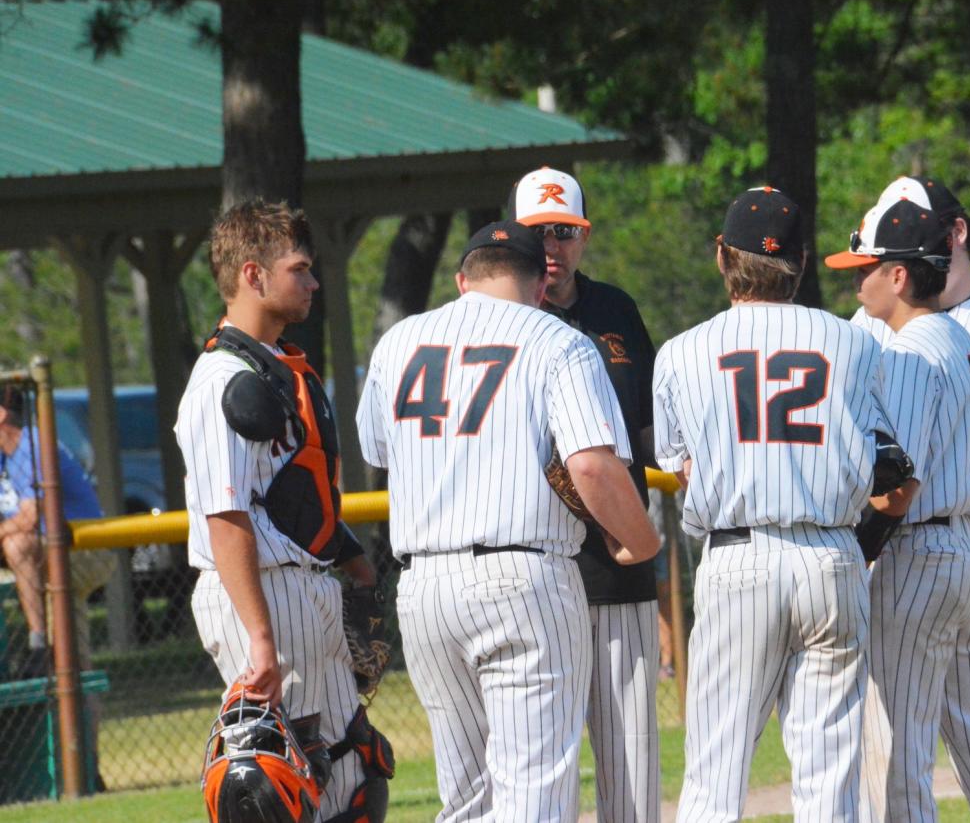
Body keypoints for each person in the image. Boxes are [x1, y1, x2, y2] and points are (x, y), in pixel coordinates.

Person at [357, 220, 660, 821]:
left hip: (424, 586)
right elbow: (594, 468)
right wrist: (641, 542)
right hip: (523, 580)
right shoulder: (558, 340)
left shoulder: (400, 341)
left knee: (467, 796)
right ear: (539, 286)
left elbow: (377, 450)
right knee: (535, 792)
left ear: (461, 280)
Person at [654, 186, 898, 822]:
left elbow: (678, 465)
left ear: (721, 256)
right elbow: (887, 459)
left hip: (738, 556)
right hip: (832, 555)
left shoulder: (681, 352)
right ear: (805, 260)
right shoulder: (856, 342)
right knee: (830, 771)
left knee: (716, 765)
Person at [827, 185, 970, 821]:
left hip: (920, 557)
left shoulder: (910, 352)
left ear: (898, 274)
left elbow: (900, 482)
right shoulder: (964, 340)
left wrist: (859, 550)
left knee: (897, 746)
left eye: (865, 268)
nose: (857, 280)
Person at [176, 199, 392, 822]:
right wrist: (262, 638)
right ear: (253, 275)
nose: (314, 282)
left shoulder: (273, 370)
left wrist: (355, 565)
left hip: (299, 586)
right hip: (259, 596)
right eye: (300, 269)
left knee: (355, 771)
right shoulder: (222, 381)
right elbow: (227, 516)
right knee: (281, 785)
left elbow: (297, 499)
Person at [511, 165, 662, 822]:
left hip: (618, 563)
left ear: (584, 236)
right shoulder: (504, 321)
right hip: (536, 567)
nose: (553, 245)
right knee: (543, 759)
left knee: (631, 752)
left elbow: (651, 427)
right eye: (539, 232)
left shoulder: (616, 311)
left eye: (565, 231)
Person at [0, 383, 112, 678]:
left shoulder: (33, 444)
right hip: (51, 553)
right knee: (71, 659)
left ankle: (39, 646)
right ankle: (44, 654)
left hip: (85, 550)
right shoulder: (4, 456)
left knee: (17, 544)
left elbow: (29, 519)